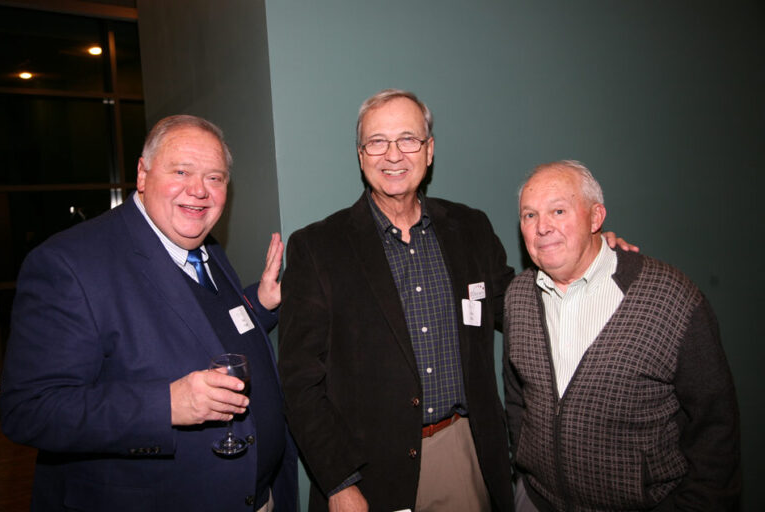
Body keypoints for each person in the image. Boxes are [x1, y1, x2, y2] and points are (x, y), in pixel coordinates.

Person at [278, 90, 631, 512]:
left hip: (463, 452)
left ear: (429, 151)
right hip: (367, 470)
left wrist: (589, 258)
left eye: (408, 139)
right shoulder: (318, 247)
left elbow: (520, 305)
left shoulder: (470, 229)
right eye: (377, 141)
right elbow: (299, 383)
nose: (393, 154)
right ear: (361, 154)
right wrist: (338, 482)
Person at [0, 115, 297, 512]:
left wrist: (259, 303)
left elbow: (197, 329)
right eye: (181, 171)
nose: (199, 191)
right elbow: (30, 410)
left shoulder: (205, 248)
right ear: (142, 174)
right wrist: (166, 405)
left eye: (215, 178)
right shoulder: (69, 264)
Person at [503, 160, 741, 511]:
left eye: (558, 210)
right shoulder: (518, 296)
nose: (542, 228)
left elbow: (715, 427)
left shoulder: (670, 297)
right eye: (529, 215)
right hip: (537, 501)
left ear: (596, 218)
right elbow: (516, 397)